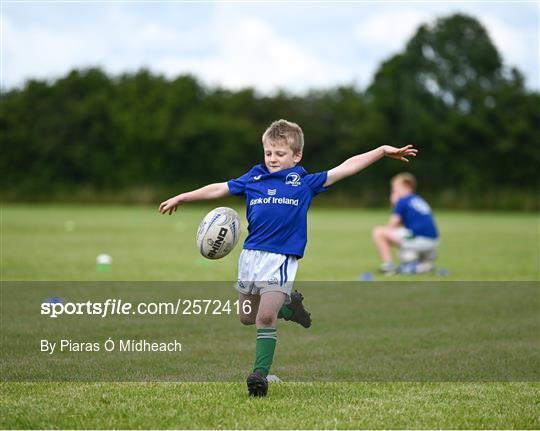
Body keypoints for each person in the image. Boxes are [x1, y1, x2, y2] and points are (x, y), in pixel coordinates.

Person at [159, 119, 416, 396]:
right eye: (269, 153)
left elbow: (346, 168)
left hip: (280, 259)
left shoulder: (304, 182)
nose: (272, 159)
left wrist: (381, 151)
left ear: (296, 156)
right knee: (247, 317)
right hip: (250, 257)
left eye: (280, 154)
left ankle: (259, 376)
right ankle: (289, 306)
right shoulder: (254, 177)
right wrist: (183, 197)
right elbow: (218, 188)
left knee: (265, 318)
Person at [372, 172, 439, 275]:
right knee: (402, 239)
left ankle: (389, 265)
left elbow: (392, 225)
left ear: (406, 186)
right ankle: (423, 263)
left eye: (395, 188)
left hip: (419, 239)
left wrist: (394, 204)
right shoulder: (417, 199)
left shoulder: (403, 200)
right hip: (433, 241)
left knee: (379, 232)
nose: (393, 191)